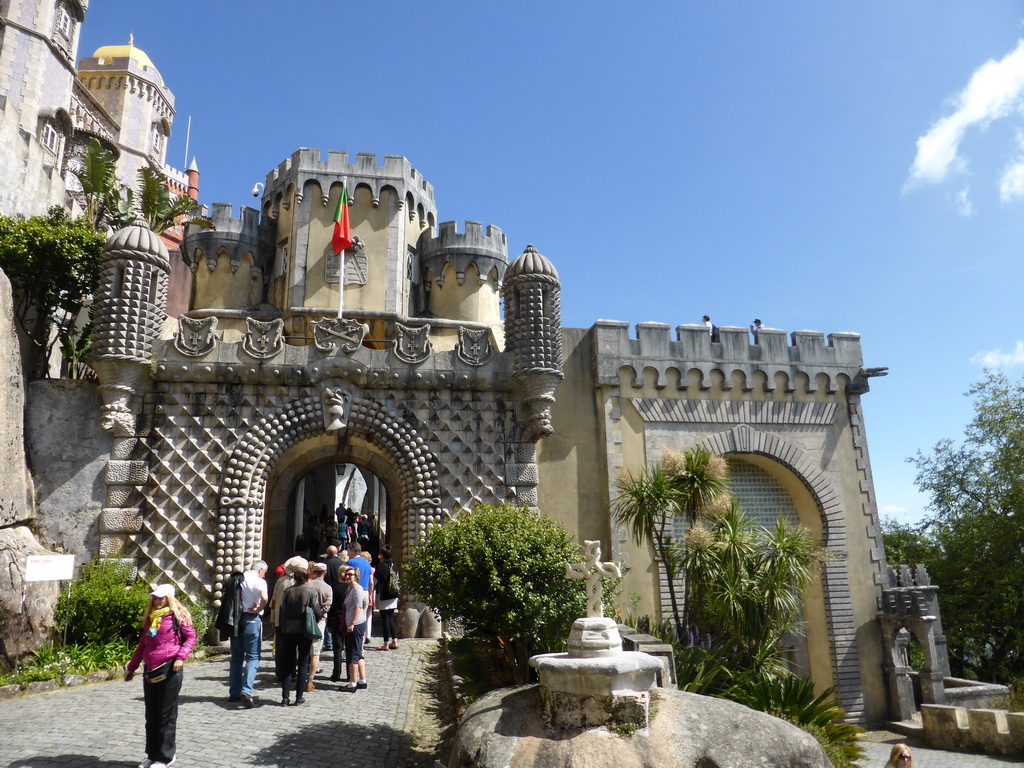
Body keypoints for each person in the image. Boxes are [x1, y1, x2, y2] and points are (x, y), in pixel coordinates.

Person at [124, 584, 197, 768]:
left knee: (166, 714)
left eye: (161, 598)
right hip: (151, 670)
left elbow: (191, 637)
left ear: (169, 599)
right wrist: (132, 668)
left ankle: (165, 757)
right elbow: (143, 645)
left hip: (169, 668)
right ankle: (152, 754)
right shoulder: (151, 619)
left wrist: (181, 657)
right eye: (155, 598)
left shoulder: (177, 617)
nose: (157, 601)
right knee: (152, 715)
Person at [275, 558, 324, 706]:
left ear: (295, 578)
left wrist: (281, 629)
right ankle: (299, 697)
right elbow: (316, 611)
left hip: (289, 630)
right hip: (304, 630)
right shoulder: (310, 592)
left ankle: (285, 697)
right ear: (307, 577)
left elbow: (282, 611)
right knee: (303, 663)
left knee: (288, 664)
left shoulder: (287, 592)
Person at [227, 560, 268, 708]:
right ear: (260, 570)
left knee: (236, 658)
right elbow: (264, 598)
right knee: (253, 657)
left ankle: (234, 692)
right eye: (264, 572)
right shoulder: (259, 581)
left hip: (236, 620)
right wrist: (259, 609)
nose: (264, 575)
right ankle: (247, 690)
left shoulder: (238, 579)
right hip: (251, 619)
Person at [305, 561, 333, 691]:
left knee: (304, 650)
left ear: (313, 572)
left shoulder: (307, 585)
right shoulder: (327, 588)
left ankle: (301, 676)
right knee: (315, 653)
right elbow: (327, 605)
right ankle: (310, 680)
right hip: (320, 621)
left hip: (305, 620)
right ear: (325, 573)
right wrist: (320, 613)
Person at [341, 566, 369, 691]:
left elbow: (358, 607)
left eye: (351, 574)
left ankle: (353, 683)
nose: (348, 576)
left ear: (356, 576)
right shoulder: (350, 589)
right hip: (355, 623)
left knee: (353, 654)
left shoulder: (357, 589)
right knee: (358, 653)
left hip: (356, 624)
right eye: (347, 574)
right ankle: (362, 680)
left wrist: (351, 624)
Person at [327, 561, 352, 682]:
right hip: (348, 620)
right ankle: (349, 674)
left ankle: (336, 673)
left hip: (337, 619)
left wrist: (329, 623)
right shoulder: (351, 588)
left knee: (337, 648)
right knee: (349, 648)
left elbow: (331, 607)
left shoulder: (336, 588)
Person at [375, 545, 400, 651]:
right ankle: (394, 641)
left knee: (385, 619)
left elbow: (375, 581)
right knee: (390, 618)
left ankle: (385, 644)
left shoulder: (380, 567)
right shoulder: (394, 566)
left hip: (384, 595)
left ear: (382, 556)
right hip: (393, 594)